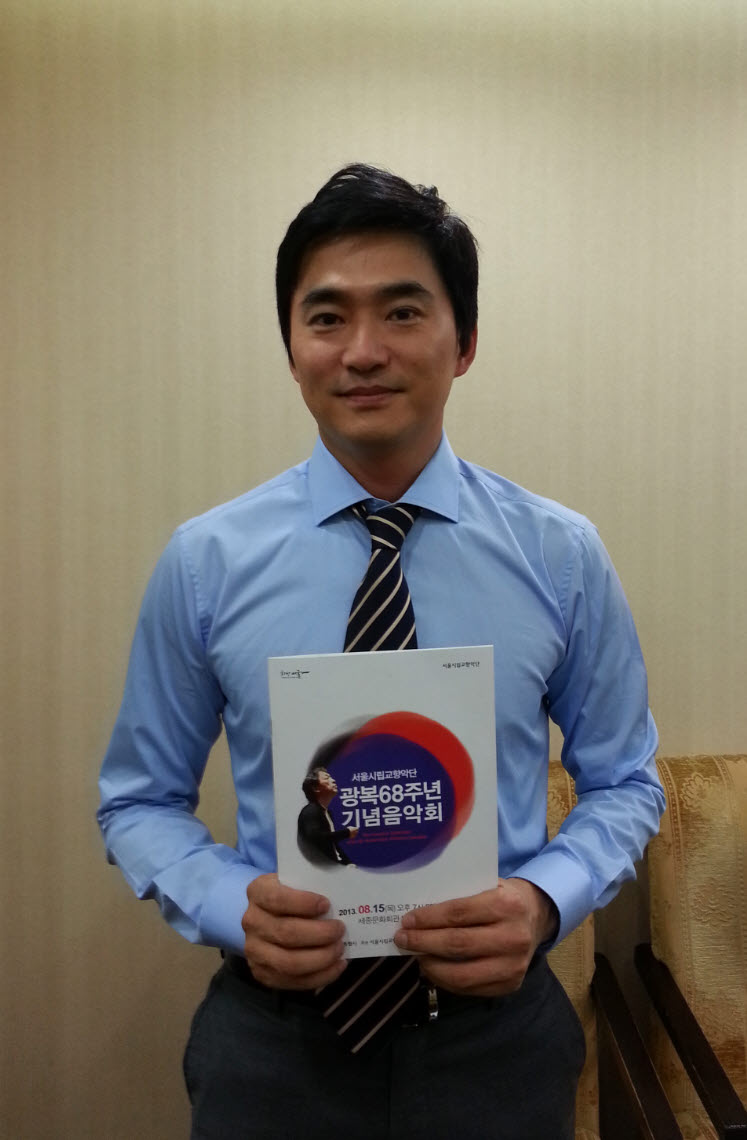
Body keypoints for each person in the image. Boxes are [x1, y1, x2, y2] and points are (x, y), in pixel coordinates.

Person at [98, 163, 664, 1139]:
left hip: (495, 1046)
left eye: (402, 312)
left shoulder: (560, 555)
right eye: (326, 318)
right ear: (291, 348)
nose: (362, 352)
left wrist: (541, 902)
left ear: (465, 341)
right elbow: (138, 800)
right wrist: (233, 905)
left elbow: (625, 782)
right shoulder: (204, 562)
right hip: (275, 1051)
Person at [297, 766, 358, 866]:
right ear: (315, 788)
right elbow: (317, 838)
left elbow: (333, 844)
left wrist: (348, 863)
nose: (333, 780)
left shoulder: (326, 812)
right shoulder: (311, 811)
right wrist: (346, 832)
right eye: (327, 778)